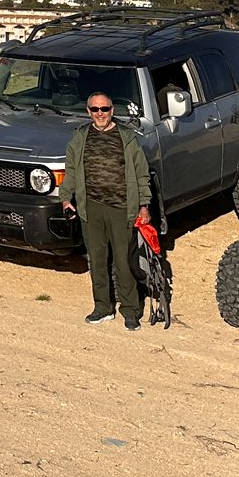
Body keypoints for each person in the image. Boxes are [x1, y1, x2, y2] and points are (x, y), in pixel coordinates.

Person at [59, 90, 152, 329]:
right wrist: (66, 198)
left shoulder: (127, 137)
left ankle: (131, 311)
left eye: (105, 109)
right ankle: (102, 307)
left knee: (123, 261)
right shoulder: (80, 137)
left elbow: (142, 173)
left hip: (122, 208)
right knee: (97, 261)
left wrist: (144, 205)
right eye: (95, 109)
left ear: (112, 110)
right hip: (90, 208)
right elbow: (70, 170)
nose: (100, 114)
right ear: (88, 111)